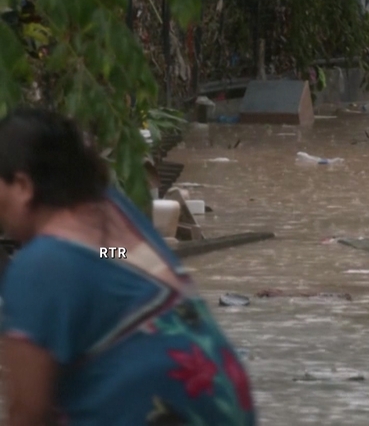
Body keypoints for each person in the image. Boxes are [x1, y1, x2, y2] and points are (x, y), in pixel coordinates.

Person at [0, 109, 257, 425]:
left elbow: (26, 414)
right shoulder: (114, 211)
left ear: (23, 186)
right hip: (226, 395)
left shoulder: (38, 266)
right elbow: (113, 256)